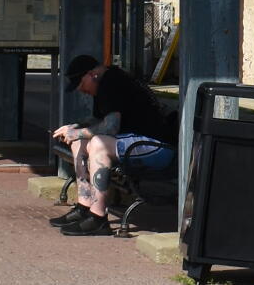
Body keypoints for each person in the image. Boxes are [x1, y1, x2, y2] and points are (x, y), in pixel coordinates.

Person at [50, 53, 178, 236]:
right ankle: (84, 206)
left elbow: (110, 127)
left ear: (91, 74)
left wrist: (76, 132)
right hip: (135, 143)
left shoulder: (112, 83)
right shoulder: (102, 83)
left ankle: (98, 218)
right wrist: (74, 128)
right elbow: (98, 120)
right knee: (80, 142)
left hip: (158, 148)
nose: (80, 89)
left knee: (98, 144)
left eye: (81, 83)